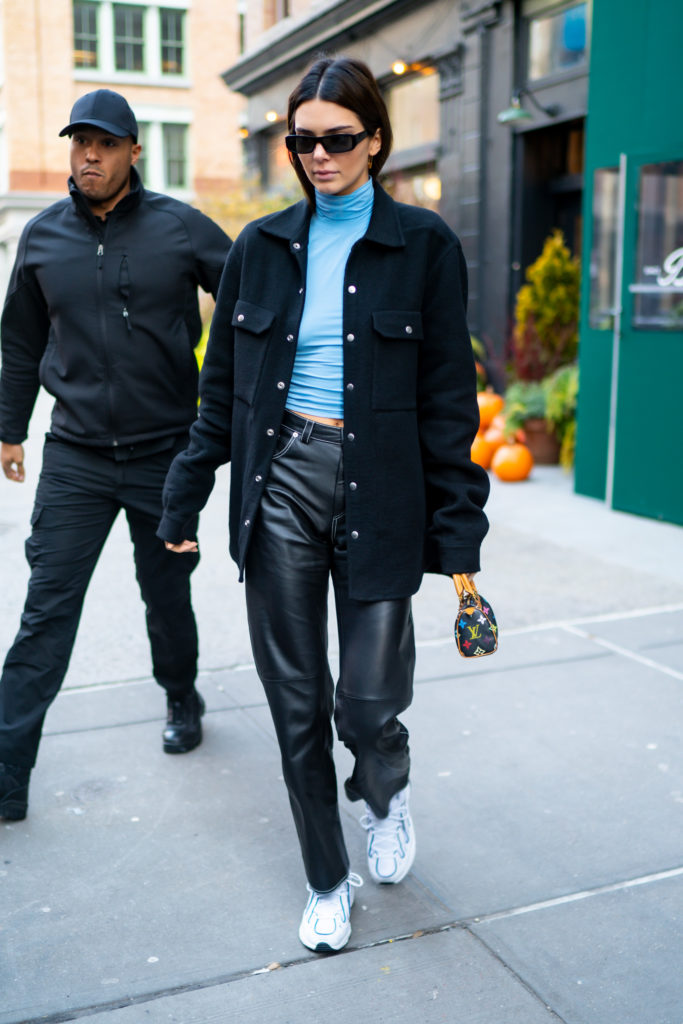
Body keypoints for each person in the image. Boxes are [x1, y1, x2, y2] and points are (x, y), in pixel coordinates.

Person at [158, 58, 489, 952]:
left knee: (368, 703)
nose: (318, 155)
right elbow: (220, 393)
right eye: (301, 140)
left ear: (375, 141)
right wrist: (184, 497)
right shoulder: (258, 249)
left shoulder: (424, 246)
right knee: (296, 704)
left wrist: (459, 531)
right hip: (281, 481)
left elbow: (448, 403)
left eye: (338, 139)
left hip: (383, 488)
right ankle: (324, 877)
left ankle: (383, 789)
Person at [0, 89, 231, 822]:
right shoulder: (41, 237)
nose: (90, 156)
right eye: (80, 143)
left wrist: (225, 407)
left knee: (165, 594)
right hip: (76, 456)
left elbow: (250, 306)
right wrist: (10, 428)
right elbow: (19, 341)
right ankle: (7, 772)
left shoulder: (181, 228)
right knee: (46, 609)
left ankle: (181, 696)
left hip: (165, 455)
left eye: (105, 144)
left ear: (135, 150)